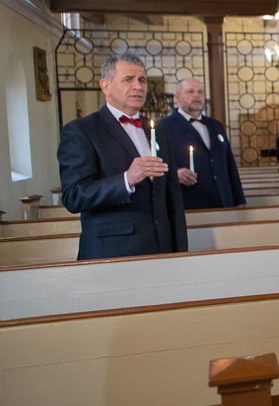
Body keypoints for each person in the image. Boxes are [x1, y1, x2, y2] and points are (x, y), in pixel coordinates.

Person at [57, 53, 187, 260]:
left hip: (161, 248)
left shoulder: (158, 129)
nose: (138, 86)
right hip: (112, 251)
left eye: (142, 80)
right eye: (128, 79)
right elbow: (74, 196)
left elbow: (173, 197)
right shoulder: (81, 130)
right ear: (105, 86)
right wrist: (126, 179)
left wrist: (180, 251)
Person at [158, 78, 246, 210]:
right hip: (189, 203)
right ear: (177, 97)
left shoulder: (216, 126)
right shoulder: (164, 127)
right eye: (190, 92)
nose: (196, 96)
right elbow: (156, 164)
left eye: (200, 92)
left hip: (224, 202)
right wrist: (174, 174)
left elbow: (230, 165)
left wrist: (239, 199)